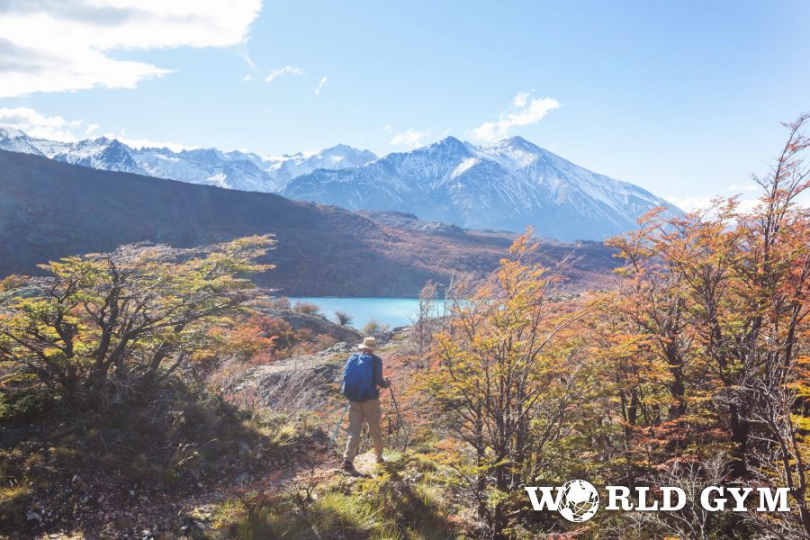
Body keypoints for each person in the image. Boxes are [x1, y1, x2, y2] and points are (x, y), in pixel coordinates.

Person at [340, 336, 389, 471]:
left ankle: (347, 460)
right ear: (373, 348)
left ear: (362, 347)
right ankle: (379, 458)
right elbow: (380, 382)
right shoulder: (375, 360)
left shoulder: (353, 358)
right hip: (370, 400)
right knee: (374, 428)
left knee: (354, 429)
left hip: (354, 399)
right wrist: (386, 383)